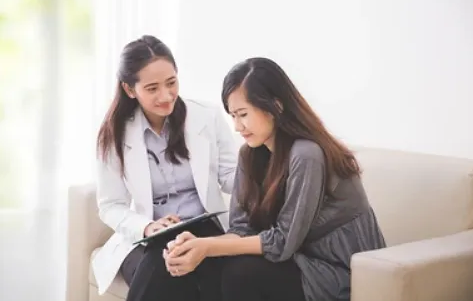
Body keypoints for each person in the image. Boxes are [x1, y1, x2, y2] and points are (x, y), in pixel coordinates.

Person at [163, 57, 387, 301]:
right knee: (207, 267)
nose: (238, 126)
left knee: (240, 273)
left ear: (276, 107)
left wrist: (209, 247)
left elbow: (282, 243)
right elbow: (241, 229)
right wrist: (198, 245)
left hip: (339, 273)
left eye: (243, 114)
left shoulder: (306, 154)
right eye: (233, 116)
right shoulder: (249, 155)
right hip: (298, 261)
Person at [92, 35, 237, 301]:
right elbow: (110, 205)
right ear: (129, 89)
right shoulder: (114, 134)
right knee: (167, 261)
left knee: (182, 263)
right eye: (152, 88)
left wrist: (266, 171)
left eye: (171, 83)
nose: (166, 96)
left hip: (204, 228)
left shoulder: (207, 116)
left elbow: (230, 176)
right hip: (148, 236)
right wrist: (147, 227)